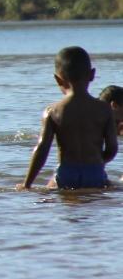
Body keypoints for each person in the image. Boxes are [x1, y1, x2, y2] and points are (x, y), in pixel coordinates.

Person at [21, 46, 118, 190]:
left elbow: (42, 149)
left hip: (67, 172)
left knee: (52, 189)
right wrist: (98, 163)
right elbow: (112, 149)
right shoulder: (104, 109)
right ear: (92, 75)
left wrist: (27, 184)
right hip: (95, 172)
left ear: (58, 80)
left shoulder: (53, 111)